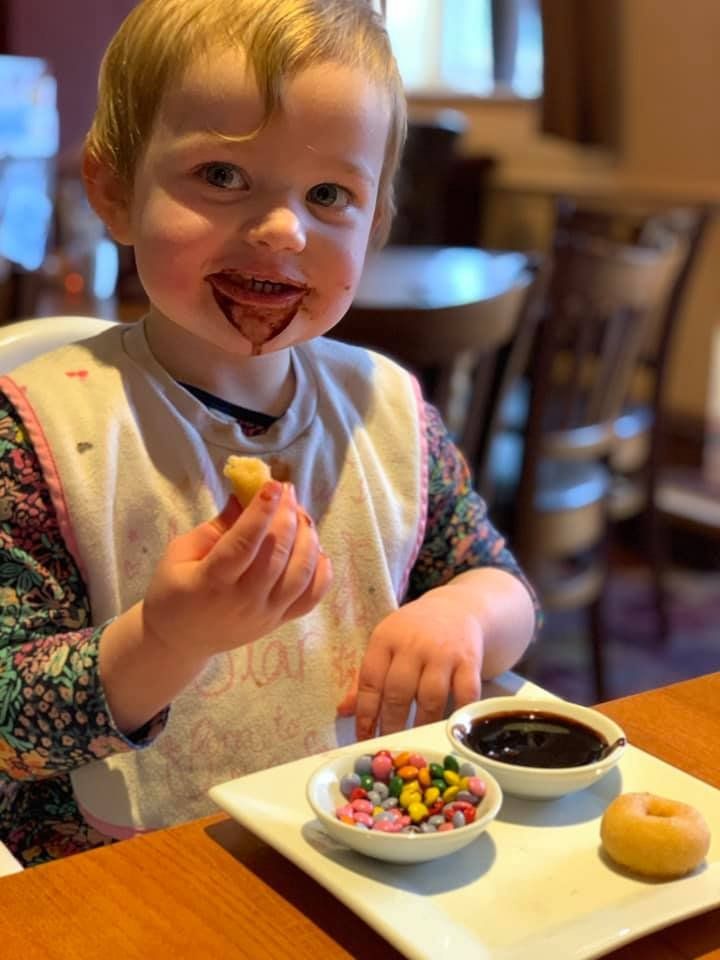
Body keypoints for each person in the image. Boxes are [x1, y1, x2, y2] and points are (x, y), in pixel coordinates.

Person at [0, 0, 537, 867]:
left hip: (365, 849)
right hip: (124, 876)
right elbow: (7, 723)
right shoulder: (38, 435)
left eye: (331, 195)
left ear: (377, 221)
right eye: (221, 175)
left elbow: (503, 583)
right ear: (115, 192)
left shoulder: (389, 412)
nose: (285, 229)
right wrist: (167, 639)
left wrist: (463, 617)